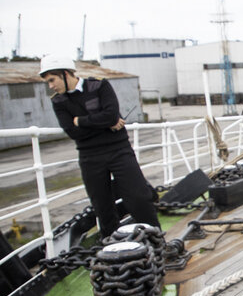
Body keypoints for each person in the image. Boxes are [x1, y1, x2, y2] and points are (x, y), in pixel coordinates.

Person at [39, 54, 160, 238]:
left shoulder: (99, 86)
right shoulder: (58, 101)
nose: (51, 86)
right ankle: (112, 246)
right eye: (48, 82)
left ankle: (155, 238)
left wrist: (81, 120)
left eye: (52, 80)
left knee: (138, 197)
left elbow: (110, 115)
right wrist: (105, 123)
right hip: (89, 157)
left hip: (119, 150)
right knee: (102, 205)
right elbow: (73, 132)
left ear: (65, 73)